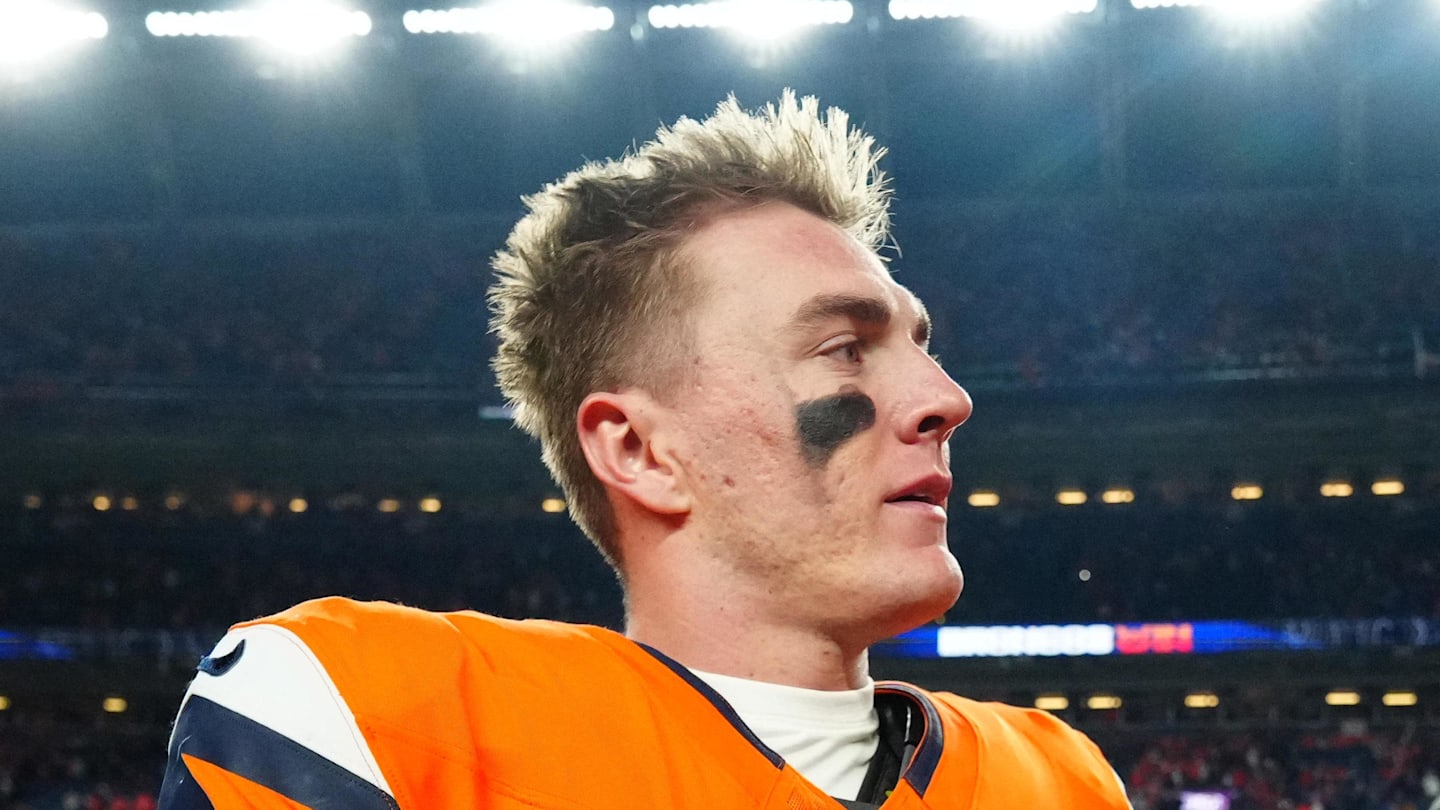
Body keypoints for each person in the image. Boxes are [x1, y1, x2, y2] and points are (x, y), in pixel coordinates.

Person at [158, 92, 1130, 810]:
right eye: (844, 349)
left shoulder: (1061, 778)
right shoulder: (367, 717)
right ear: (640, 451)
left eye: (921, 346)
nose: (947, 400)